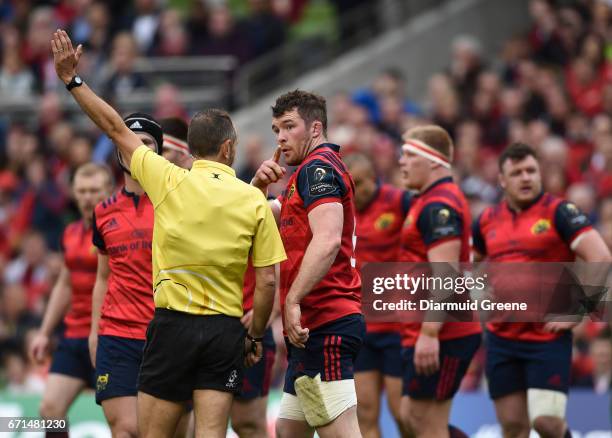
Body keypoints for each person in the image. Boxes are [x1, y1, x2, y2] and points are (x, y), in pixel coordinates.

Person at [52, 30, 286, 438]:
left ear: (190, 149)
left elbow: (113, 127)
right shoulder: (252, 201)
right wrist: (254, 335)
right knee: (210, 433)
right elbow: (267, 279)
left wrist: (73, 80)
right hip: (225, 329)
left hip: (172, 326)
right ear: (229, 149)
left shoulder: (167, 180)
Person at [473, 142, 612, 438]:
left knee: (546, 424)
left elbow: (601, 256)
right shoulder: (486, 220)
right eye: (517, 172)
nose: (525, 178)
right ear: (502, 180)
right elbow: (470, 265)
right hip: (501, 338)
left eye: (531, 171)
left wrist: (580, 311)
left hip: (546, 338)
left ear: (540, 174)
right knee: (512, 427)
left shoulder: (560, 212)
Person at [251, 90, 364, 438]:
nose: (281, 137)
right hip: (313, 328)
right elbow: (266, 216)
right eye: (275, 130)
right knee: (288, 432)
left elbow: (328, 240)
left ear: (315, 129)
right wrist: (257, 187)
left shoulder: (316, 169)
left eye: (289, 127)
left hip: (325, 321)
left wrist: (292, 299)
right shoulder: (306, 175)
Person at [398, 125, 482, 438]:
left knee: (425, 424)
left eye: (408, 155)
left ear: (433, 161)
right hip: (425, 329)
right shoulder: (427, 199)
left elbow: (446, 274)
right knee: (408, 416)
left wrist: (430, 332)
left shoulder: (438, 206)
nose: (401, 162)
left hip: (445, 332)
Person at [89, 112, 162, 438]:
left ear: (157, 152)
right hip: (116, 335)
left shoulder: (173, 203)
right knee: (127, 428)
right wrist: (94, 332)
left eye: (145, 143)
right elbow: (103, 277)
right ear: (117, 151)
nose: (135, 148)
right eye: (128, 141)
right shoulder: (102, 212)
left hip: (165, 335)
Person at [28, 163, 113, 438]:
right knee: (50, 410)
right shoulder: (71, 233)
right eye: (82, 191)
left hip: (110, 337)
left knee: (123, 424)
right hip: (75, 334)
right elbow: (64, 284)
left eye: (94, 190)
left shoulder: (117, 232)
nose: (88, 197)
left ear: (108, 191)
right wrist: (44, 332)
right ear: (74, 194)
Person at [344, 153, 411, 438]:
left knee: (403, 414)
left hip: (397, 326)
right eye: (350, 185)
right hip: (362, 326)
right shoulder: (343, 210)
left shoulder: (399, 202)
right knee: (365, 412)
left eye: (360, 183)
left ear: (374, 178)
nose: (356, 191)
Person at [230, 263, 278, 438]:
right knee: (189, 424)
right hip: (195, 320)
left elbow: (285, 254)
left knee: (247, 423)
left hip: (248, 325)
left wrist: (273, 307)